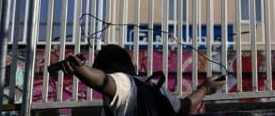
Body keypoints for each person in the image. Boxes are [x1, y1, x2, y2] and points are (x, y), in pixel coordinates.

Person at [60, 43, 225, 116]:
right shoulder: (153, 86)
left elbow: (103, 82)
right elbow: (184, 106)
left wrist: (80, 70)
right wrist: (205, 88)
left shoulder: (123, 83)